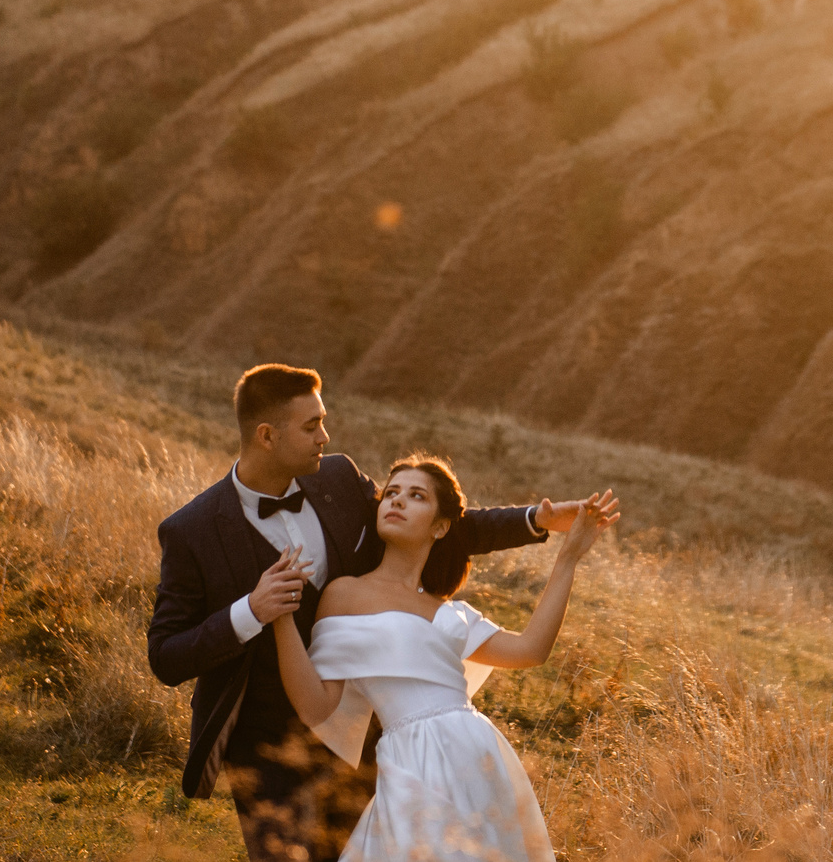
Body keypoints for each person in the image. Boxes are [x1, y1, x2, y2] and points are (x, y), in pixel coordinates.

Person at [147, 364, 613, 861]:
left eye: (323, 421)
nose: (325, 436)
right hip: (267, 748)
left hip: (368, 736)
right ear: (266, 435)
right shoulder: (193, 531)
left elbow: (441, 521)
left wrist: (536, 520)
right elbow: (166, 656)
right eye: (311, 426)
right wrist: (251, 611)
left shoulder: (340, 481)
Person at [270, 454, 618, 862]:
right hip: (411, 759)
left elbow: (531, 650)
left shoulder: (449, 612)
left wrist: (569, 558)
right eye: (391, 493)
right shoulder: (345, 594)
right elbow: (316, 707)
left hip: (480, 754)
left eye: (416, 496)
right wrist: (280, 619)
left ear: (441, 526)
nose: (397, 501)